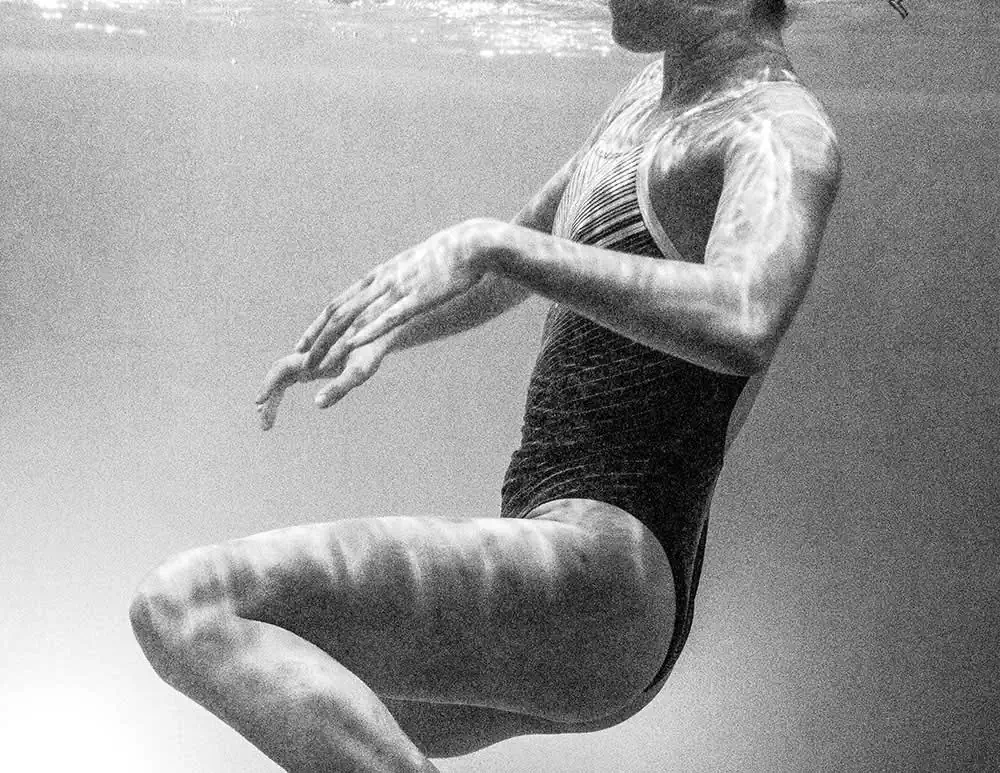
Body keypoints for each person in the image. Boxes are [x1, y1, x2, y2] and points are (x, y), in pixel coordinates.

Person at [129, 0, 841, 770]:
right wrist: (383, 326)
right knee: (309, 694)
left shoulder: (778, 128)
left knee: (189, 605)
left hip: (606, 584)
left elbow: (745, 315)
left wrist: (493, 244)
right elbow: (512, 264)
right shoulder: (651, 96)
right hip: (578, 585)